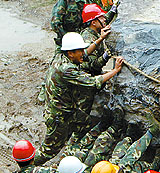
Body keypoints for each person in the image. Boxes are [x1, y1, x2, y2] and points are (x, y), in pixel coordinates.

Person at [35, 32, 124, 165]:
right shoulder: (66, 69)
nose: (83, 53)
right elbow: (93, 82)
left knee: (85, 124)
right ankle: (26, 168)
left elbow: (84, 55)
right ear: (71, 53)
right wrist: (115, 71)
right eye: (80, 50)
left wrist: (100, 39)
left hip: (67, 111)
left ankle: (71, 150)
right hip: (59, 117)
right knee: (49, 150)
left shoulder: (61, 57)